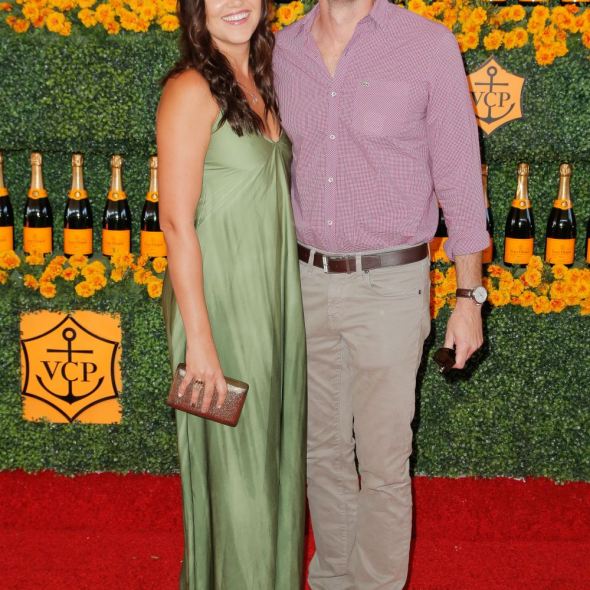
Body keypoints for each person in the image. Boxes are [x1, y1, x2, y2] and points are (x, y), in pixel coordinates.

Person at [273, 0, 489, 588]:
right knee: (320, 453)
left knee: (383, 461)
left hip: (389, 287)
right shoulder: (281, 49)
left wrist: (468, 297)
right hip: (303, 282)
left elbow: (460, 177)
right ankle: (332, 579)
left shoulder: (427, 44)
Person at [156, 0, 307, 587]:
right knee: (239, 475)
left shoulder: (265, 81)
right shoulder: (190, 89)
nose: (235, 4)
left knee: (272, 462)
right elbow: (176, 223)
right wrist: (200, 341)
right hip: (219, 305)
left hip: (272, 300)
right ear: (196, 9)